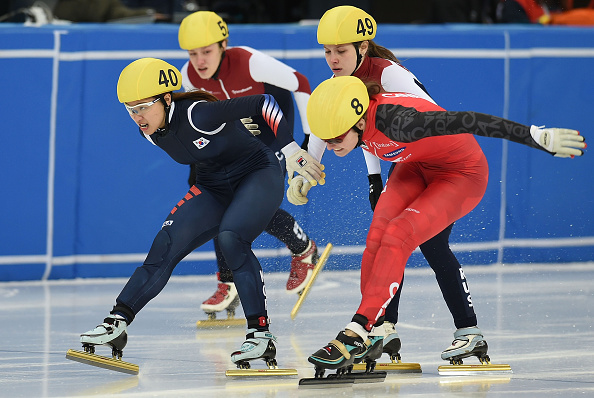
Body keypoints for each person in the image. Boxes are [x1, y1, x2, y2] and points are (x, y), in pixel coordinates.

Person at [290, 75, 585, 372]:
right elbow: (324, 132)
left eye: (336, 139)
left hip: (460, 174)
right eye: (326, 139)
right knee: (377, 236)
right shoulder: (349, 119)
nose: (329, 146)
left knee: (398, 234)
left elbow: (470, 120)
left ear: (357, 123)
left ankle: (357, 330)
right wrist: (304, 172)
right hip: (415, 165)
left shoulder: (400, 122)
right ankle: (375, 327)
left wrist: (534, 135)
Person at [78, 57, 321, 367]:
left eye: (143, 106)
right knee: (166, 244)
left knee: (232, 238)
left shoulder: (198, 114)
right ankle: (117, 322)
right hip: (214, 185)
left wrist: (291, 150)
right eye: (130, 109)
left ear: (167, 99)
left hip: (258, 173)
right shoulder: (149, 131)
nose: (137, 116)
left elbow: (264, 102)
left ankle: (261, 336)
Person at [306, 4, 489, 367]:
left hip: (442, 166)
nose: (332, 59)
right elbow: (358, 134)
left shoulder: (391, 75)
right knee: (387, 239)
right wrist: (366, 178)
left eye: (340, 51)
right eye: (327, 51)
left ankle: (469, 332)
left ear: (362, 47)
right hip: (406, 167)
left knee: (430, 245)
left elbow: (430, 122)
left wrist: (383, 176)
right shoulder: (338, 84)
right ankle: (382, 327)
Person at [177, 11, 324, 317]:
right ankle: (229, 282)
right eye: (193, 54)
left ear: (224, 45)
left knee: (250, 204)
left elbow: (302, 83)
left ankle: (303, 249)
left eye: (207, 52)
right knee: (216, 201)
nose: (200, 61)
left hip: (272, 134)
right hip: (234, 141)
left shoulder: (249, 61)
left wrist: (308, 141)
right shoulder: (188, 76)